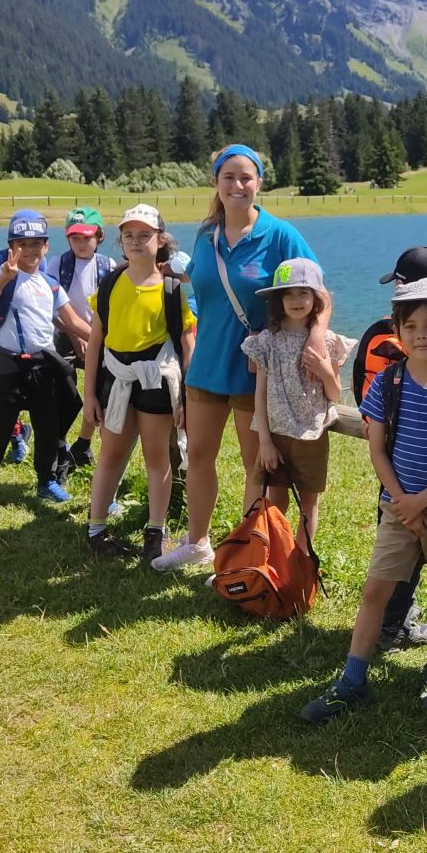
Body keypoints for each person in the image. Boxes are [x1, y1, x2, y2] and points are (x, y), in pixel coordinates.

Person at [302, 278, 427, 721]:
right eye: (411, 326)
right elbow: (378, 450)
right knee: (375, 590)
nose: (422, 334)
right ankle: (353, 678)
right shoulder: (387, 383)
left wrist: (422, 502)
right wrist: (404, 501)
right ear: (398, 332)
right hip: (398, 506)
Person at [154, 144, 321, 573]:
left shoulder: (280, 235)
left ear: (259, 182)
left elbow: (318, 291)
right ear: (216, 182)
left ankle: (251, 556)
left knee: (256, 468)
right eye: (228, 177)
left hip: (256, 373)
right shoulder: (205, 236)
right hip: (206, 367)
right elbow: (201, 291)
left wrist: (317, 339)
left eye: (246, 177)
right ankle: (197, 543)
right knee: (198, 457)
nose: (237, 185)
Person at [357, 245, 427, 651]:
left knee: (393, 551)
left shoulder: (380, 331)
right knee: (418, 555)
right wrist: (414, 503)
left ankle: (389, 624)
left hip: (393, 470)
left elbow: (361, 391)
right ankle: (393, 626)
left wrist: (402, 498)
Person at [0, 211, 90, 519]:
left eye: (36, 244)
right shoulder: (2, 274)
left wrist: (107, 339)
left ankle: (46, 481)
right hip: (9, 366)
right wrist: (5, 276)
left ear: (46, 247)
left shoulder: (50, 284)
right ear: (11, 247)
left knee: (48, 427)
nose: (30, 250)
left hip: (43, 365)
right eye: (22, 244)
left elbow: (73, 321)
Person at [83, 205, 196, 563]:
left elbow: (187, 344)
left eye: (145, 235)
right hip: (116, 377)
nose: (136, 241)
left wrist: (186, 397)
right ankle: (96, 529)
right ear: (120, 241)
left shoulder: (170, 289)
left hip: (155, 379)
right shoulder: (111, 283)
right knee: (111, 455)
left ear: (160, 240)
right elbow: (95, 341)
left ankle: (155, 532)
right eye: (128, 235)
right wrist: (89, 394)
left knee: (156, 456)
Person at [243, 258, 355, 546]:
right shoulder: (267, 341)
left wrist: (326, 371)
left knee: (309, 503)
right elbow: (260, 393)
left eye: (303, 293)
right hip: (276, 434)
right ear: (278, 300)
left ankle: (302, 560)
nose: (296, 301)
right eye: (288, 294)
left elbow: (334, 393)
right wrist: (265, 441)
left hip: (312, 434)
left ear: (316, 299)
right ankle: (276, 556)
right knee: (276, 500)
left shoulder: (328, 342)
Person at [46, 206, 120, 472]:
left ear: (99, 237)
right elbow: (51, 310)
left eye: (87, 238)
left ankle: (83, 443)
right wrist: (75, 335)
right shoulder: (58, 265)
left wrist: (95, 337)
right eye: (75, 238)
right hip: (65, 334)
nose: (81, 243)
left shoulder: (108, 266)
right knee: (64, 391)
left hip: (97, 335)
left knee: (98, 390)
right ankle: (57, 443)